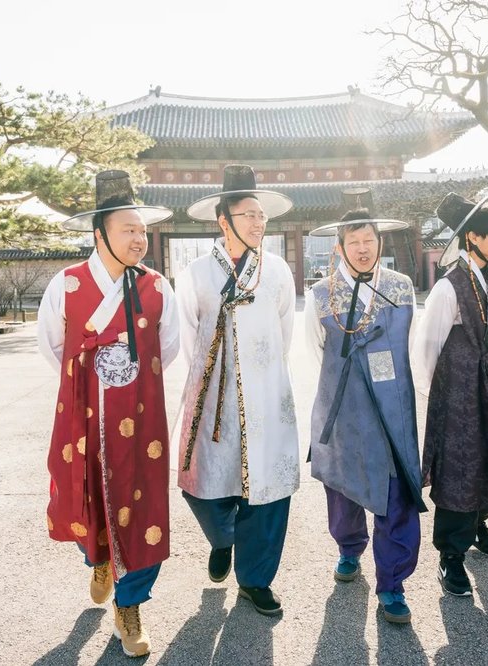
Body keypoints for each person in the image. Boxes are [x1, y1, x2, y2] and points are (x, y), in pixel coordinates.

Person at [36, 170, 180, 657]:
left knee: (145, 507)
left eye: (143, 231)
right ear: (100, 234)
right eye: (128, 230)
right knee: (85, 495)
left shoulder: (157, 286)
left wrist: (128, 385)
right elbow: (52, 347)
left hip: (141, 418)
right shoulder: (67, 284)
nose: (139, 239)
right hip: (83, 415)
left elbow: (168, 349)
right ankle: (98, 558)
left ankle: (130, 603)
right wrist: (90, 384)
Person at [174, 164, 299, 616]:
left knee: (267, 489)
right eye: (248, 215)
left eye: (261, 215)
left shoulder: (278, 271)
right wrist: (215, 379)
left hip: (266, 393)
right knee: (205, 482)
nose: (258, 223)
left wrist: (261, 375)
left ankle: (256, 578)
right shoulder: (195, 274)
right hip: (212, 396)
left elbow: (285, 333)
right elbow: (188, 339)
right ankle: (223, 538)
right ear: (223, 221)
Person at [305, 188, 427, 624]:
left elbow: (409, 346)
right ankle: (349, 548)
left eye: (369, 240)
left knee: (396, 495)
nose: (362, 248)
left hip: (393, 411)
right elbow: (315, 351)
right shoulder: (322, 293)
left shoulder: (401, 286)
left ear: (380, 242)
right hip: (344, 410)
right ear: (339, 247)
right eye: (353, 241)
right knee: (344, 490)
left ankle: (392, 584)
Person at [413, 185, 488, 598]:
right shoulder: (449, 286)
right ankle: (451, 553)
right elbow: (428, 347)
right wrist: (443, 396)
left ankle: (479, 524)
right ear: (472, 237)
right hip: (459, 394)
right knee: (459, 469)